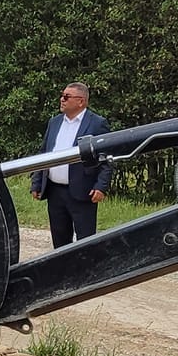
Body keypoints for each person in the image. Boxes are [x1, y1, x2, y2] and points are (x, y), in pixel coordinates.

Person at [29, 82, 112, 248]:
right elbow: (44, 153)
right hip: (54, 192)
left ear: (80, 101)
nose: (62, 99)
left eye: (66, 97)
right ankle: (63, 273)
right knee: (59, 241)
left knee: (85, 241)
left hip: (83, 191)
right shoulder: (55, 122)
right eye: (62, 95)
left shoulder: (97, 124)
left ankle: (87, 272)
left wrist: (101, 186)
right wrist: (37, 182)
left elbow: (107, 157)